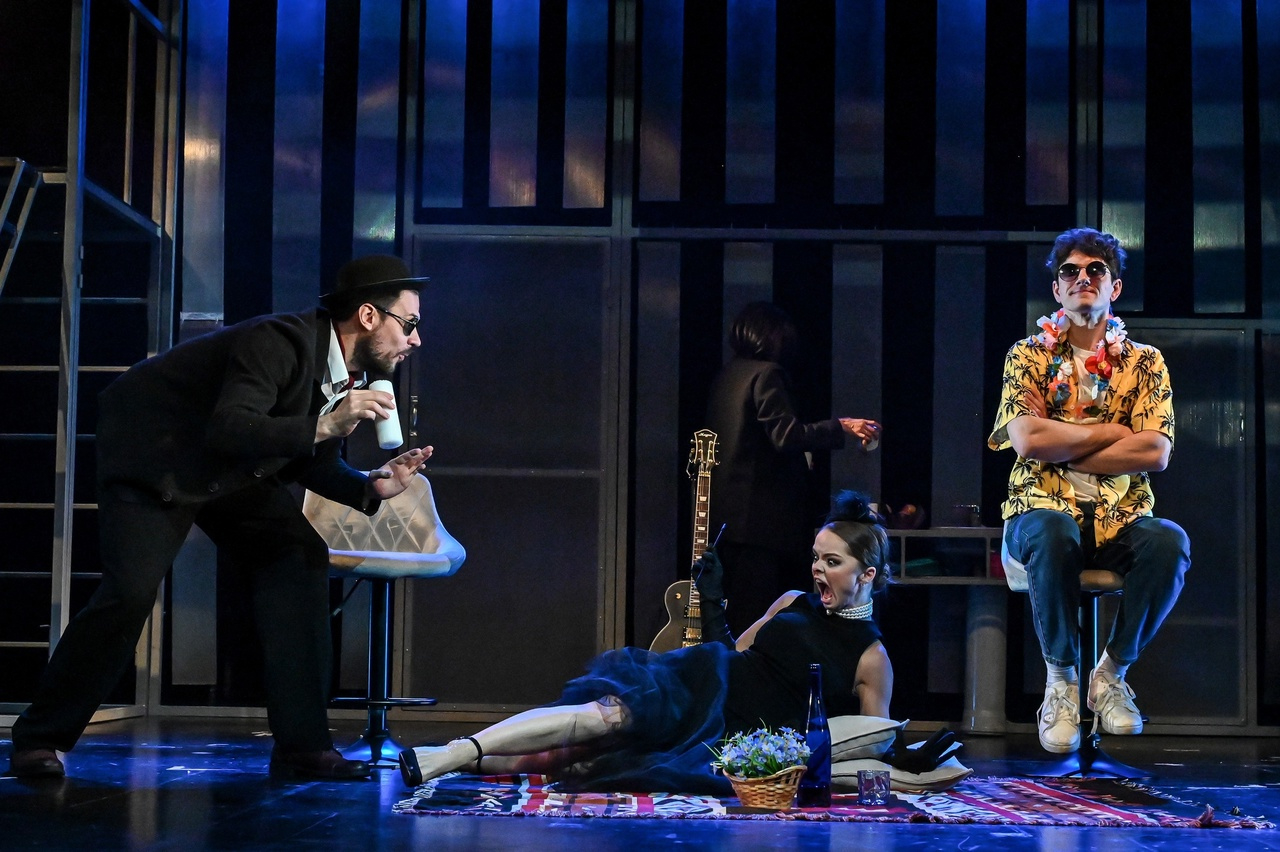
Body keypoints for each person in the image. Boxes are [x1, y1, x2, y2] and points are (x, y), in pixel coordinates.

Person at [7, 254, 435, 780]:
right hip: (157, 461)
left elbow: (309, 460)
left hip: (228, 472)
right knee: (130, 594)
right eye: (409, 323)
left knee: (298, 556)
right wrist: (327, 425)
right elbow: (231, 426)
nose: (415, 339)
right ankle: (39, 739)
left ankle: (303, 747)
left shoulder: (343, 373)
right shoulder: (279, 341)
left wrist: (369, 485)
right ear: (369, 316)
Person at [396, 491, 949, 795]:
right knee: (603, 718)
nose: (817, 570)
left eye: (832, 562)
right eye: (815, 558)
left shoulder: (871, 657)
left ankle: (459, 764)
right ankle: (450, 753)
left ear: (867, 575)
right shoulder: (792, 602)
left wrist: (910, 755)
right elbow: (733, 652)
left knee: (577, 760)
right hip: (700, 685)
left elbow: (872, 740)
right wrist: (713, 599)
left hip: (728, 734)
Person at [988, 227, 1191, 755]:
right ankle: (1061, 682)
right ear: (1057, 289)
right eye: (1070, 271)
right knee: (1054, 530)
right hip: (1038, 513)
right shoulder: (1027, 356)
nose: (1083, 278)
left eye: (1095, 269)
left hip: (1120, 518)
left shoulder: (1145, 362)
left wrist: (1064, 443)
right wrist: (1112, 433)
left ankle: (1110, 675)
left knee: (1170, 542)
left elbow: (1156, 451)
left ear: (1114, 288)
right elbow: (1027, 440)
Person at [706, 301, 881, 637]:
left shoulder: (729, 375)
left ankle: (730, 668)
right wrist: (842, 426)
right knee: (757, 617)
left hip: (728, 522)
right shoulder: (766, 374)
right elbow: (786, 435)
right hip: (758, 523)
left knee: (733, 614)